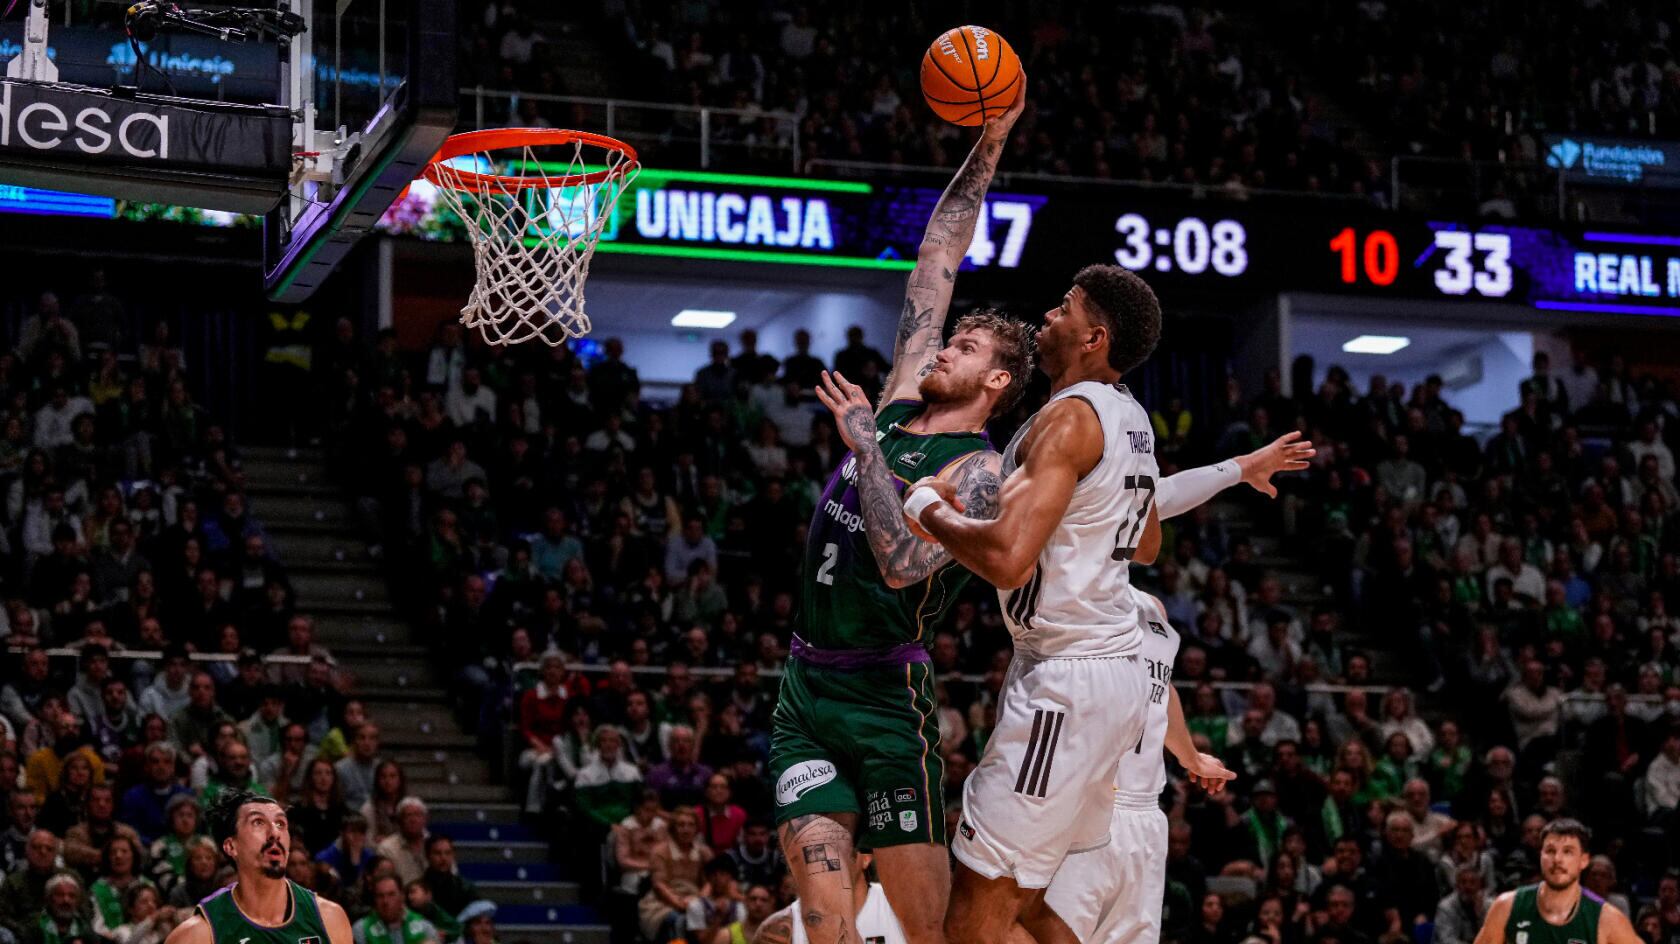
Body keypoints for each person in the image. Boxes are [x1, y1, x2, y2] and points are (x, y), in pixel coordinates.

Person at [769, 84, 1033, 944]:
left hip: (888, 701)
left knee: (933, 932)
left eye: (962, 348)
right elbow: (938, 252)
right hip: (806, 688)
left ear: (994, 382)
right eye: (946, 338)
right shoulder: (896, 398)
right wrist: (990, 139)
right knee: (820, 915)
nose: (942, 345)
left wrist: (866, 449)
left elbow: (902, 564)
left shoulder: (982, 472)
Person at [902, 269, 1168, 936]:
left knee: (975, 903)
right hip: (1107, 673)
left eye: (1065, 307)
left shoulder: (1071, 420)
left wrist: (928, 507)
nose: (1047, 314)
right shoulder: (1128, 414)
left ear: (1093, 338)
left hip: (1067, 684)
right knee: (1026, 898)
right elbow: (1148, 542)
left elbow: (1006, 558)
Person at [1039, 590, 1236, 942]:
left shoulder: (1152, 604)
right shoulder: (1070, 585)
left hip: (1145, 811)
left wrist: (1189, 756)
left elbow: (1161, 688)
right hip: (1085, 804)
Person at [162, 789, 354, 944]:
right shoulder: (198, 935)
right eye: (258, 822)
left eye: (280, 823)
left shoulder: (329, 919)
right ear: (231, 846)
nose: (274, 833)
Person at [1472, 819, 1640, 944]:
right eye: (1550, 851)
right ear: (1540, 856)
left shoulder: (1606, 919)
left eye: (1568, 852)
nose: (1557, 859)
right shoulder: (1507, 906)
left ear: (1584, 860)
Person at [752, 845, 908, 943]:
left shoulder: (902, 909)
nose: (831, 859)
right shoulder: (779, 929)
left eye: (842, 847)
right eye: (823, 849)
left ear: (866, 857)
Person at [351, 875, 439, 944]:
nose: (385, 901)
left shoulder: (424, 927)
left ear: (402, 896)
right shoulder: (361, 930)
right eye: (380, 896)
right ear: (374, 900)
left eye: (391, 894)